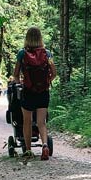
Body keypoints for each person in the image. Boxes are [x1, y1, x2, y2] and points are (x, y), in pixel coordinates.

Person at [13, 27, 56, 160]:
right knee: (41, 122)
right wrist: (47, 82)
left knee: (27, 121)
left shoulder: (22, 53)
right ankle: (44, 145)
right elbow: (54, 73)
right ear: (40, 38)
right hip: (43, 92)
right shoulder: (47, 53)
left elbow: (16, 75)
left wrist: (19, 82)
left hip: (28, 91)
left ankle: (28, 151)